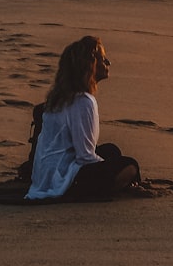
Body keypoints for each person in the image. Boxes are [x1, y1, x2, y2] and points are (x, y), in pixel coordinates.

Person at [24, 35, 140, 201]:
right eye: (103, 59)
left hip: (44, 175)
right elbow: (85, 156)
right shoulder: (83, 101)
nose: (108, 63)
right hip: (64, 179)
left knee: (111, 151)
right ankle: (101, 190)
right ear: (91, 65)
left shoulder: (60, 97)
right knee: (130, 165)